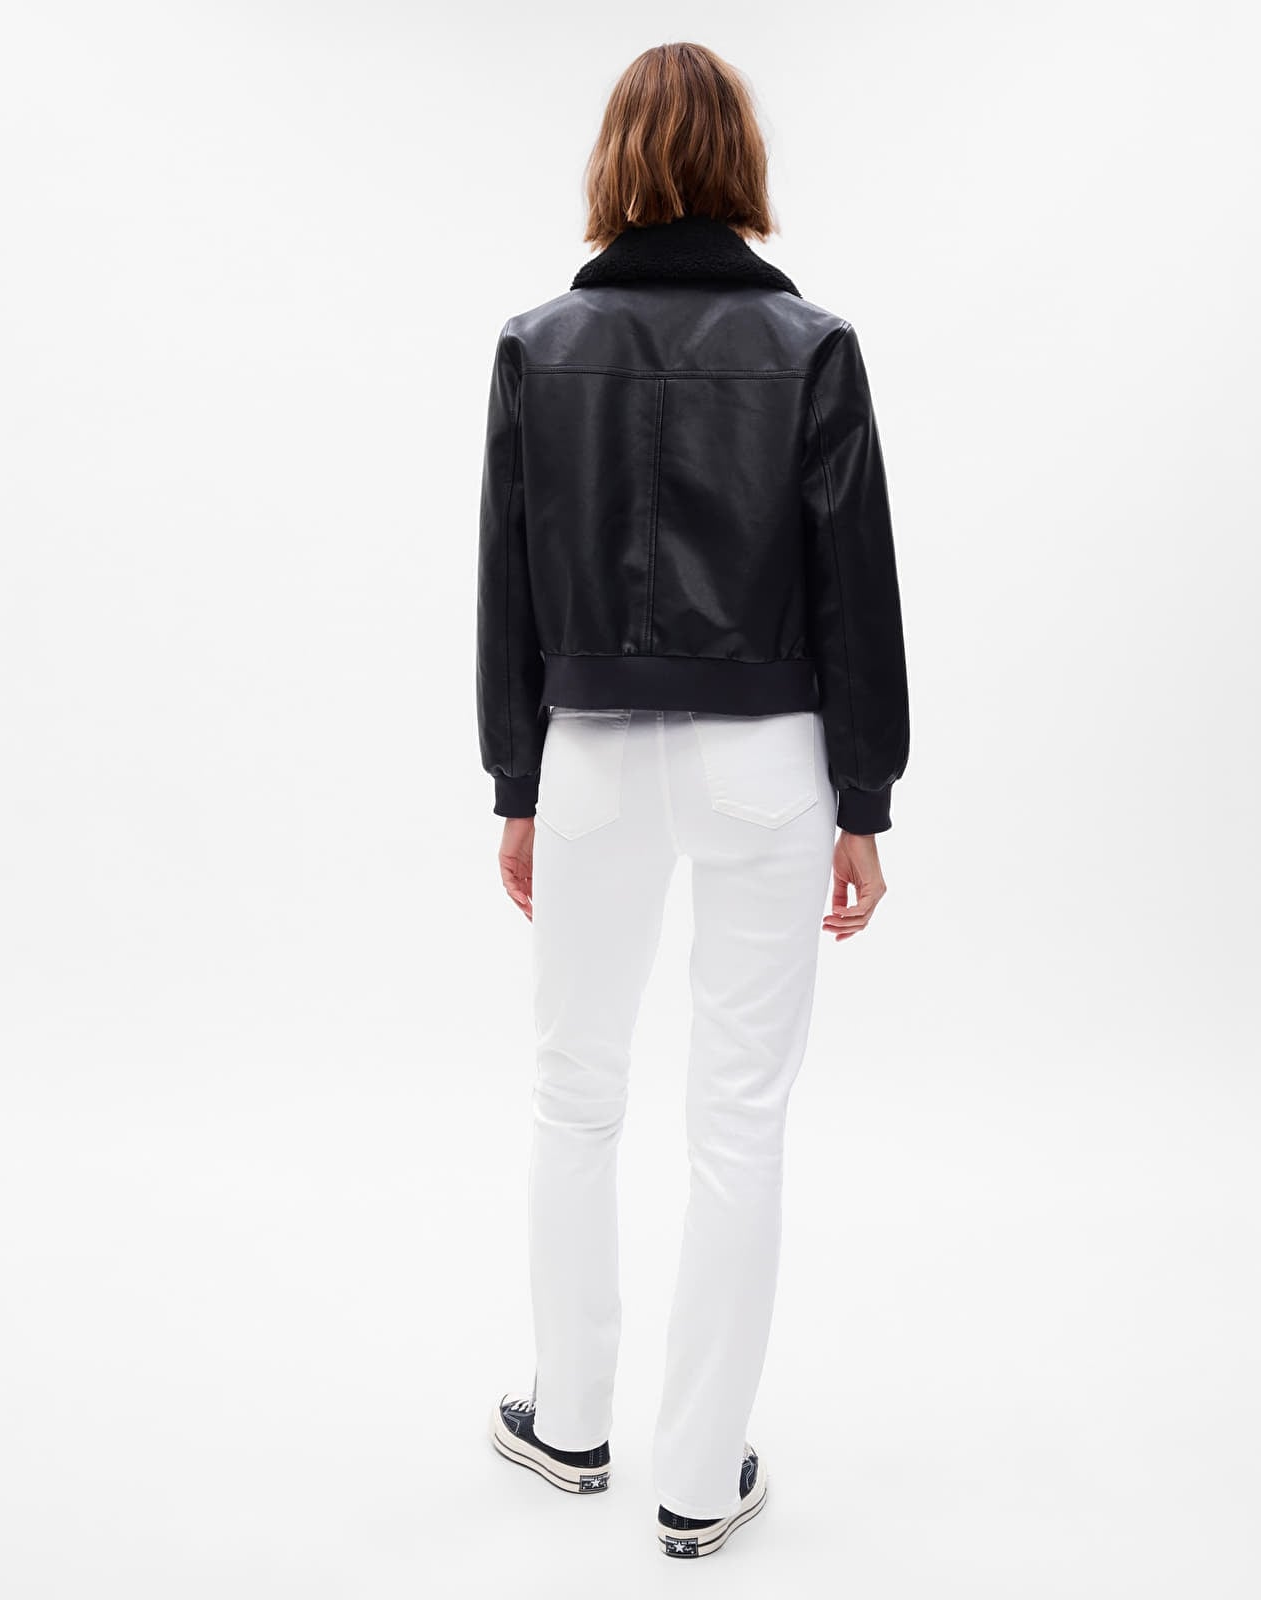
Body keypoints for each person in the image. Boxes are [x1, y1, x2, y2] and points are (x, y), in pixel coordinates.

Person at [476, 41, 910, 1560]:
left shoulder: (538, 346)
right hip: (764, 759)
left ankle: (570, 1423)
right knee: (738, 1121)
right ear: (741, 162)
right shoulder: (812, 347)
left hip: (591, 754)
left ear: (613, 162)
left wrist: (516, 785)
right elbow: (857, 589)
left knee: (573, 1095)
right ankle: (700, 1480)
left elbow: (506, 587)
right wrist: (864, 800)